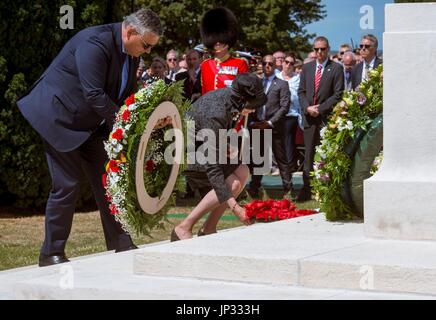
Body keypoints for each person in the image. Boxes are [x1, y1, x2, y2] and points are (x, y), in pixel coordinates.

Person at [16, 8, 163, 267]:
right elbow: (94, 93)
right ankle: (50, 253)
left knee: (110, 180)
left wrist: (146, 117)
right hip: (58, 117)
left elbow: (124, 95)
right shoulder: (95, 42)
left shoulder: (129, 52)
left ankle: (122, 241)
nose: (148, 52)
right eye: (146, 46)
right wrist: (125, 124)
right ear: (130, 32)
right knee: (67, 184)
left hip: (90, 124)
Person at [171, 73, 267, 241]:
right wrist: (235, 207)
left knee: (243, 171)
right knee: (234, 183)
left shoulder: (230, 100)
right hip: (186, 154)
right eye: (253, 104)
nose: (253, 109)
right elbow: (213, 168)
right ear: (243, 100)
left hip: (202, 147)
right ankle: (183, 227)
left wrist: (225, 145)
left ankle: (209, 227)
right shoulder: (216, 111)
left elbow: (214, 137)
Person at [297, 36, 344, 201]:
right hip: (309, 117)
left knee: (325, 154)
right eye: (316, 49)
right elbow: (301, 91)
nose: (319, 52)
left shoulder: (336, 68)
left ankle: (324, 189)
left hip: (326, 118)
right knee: (308, 154)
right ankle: (307, 188)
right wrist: (307, 108)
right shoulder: (307, 68)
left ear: (328, 49)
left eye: (323, 49)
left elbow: (338, 94)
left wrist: (321, 108)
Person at [246, 55, 292, 199]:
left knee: (281, 159)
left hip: (274, 127)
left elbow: (284, 107)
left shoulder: (282, 84)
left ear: (275, 66)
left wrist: (270, 122)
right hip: (258, 125)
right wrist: (253, 122)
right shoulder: (256, 83)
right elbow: (251, 103)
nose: (267, 66)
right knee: (259, 159)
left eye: (270, 64)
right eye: (264, 63)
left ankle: (288, 189)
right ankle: (254, 188)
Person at [199, 7, 249, 95]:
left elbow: (244, 93)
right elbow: (204, 93)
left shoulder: (240, 64)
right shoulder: (205, 65)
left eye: (221, 39)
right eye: (214, 38)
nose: (217, 43)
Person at [276, 53, 302, 177]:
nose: (288, 65)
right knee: (278, 141)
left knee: (288, 140)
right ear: (282, 62)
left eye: (291, 63)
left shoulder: (297, 79)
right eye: (286, 62)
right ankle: (279, 166)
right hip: (276, 114)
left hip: (291, 113)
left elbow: (298, 97)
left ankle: (290, 167)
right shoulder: (276, 77)